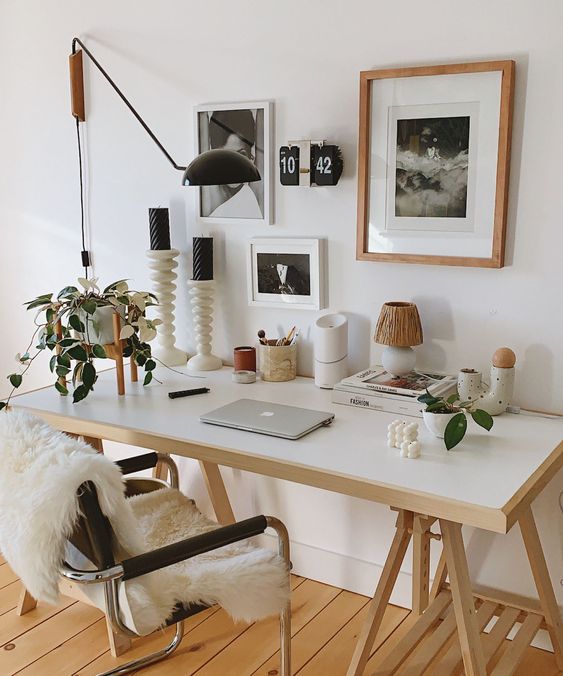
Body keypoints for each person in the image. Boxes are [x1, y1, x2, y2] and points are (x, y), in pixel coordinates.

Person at [200, 109, 263, 219]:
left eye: (240, 157)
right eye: (224, 158)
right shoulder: (210, 200)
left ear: (251, 155)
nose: (232, 169)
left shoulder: (253, 197)